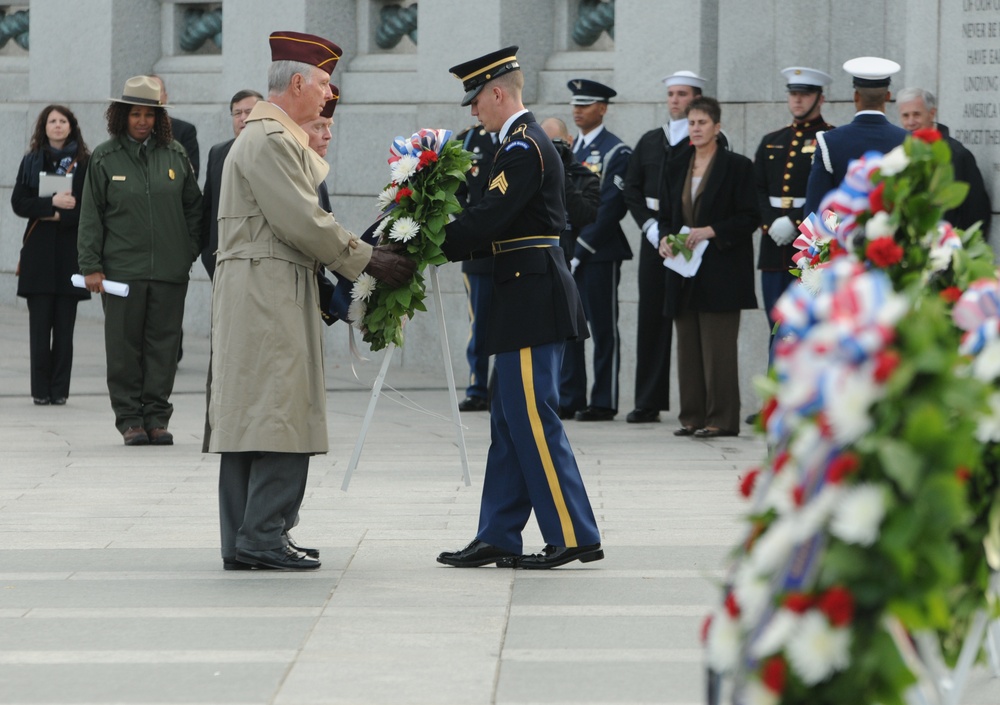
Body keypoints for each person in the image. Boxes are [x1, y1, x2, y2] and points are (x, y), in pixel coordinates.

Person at [209, 31, 414, 572]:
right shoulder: (271, 141)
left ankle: (247, 538)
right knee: (281, 409)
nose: (329, 93)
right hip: (268, 287)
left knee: (253, 415)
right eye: (323, 84)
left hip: (262, 284)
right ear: (297, 83)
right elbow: (304, 220)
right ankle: (262, 537)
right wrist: (369, 259)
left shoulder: (263, 137)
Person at [436, 46, 603, 570]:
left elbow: (486, 219)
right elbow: (489, 222)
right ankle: (499, 534)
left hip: (531, 294)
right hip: (518, 290)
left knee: (533, 417)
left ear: (498, 93)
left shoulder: (523, 147)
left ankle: (574, 533)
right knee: (509, 421)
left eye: (475, 100)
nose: (471, 111)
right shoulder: (515, 145)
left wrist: (419, 240)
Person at [77, 76, 202, 446]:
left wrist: (186, 251)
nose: (142, 121)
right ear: (121, 116)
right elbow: (90, 216)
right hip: (120, 274)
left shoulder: (175, 154)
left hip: (169, 272)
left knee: (163, 347)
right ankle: (130, 419)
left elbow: (194, 208)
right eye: (135, 114)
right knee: (124, 348)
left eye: (149, 114)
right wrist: (90, 265)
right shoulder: (104, 157)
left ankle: (157, 418)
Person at [658, 97, 759, 438]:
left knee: (718, 349)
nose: (696, 129)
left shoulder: (738, 166)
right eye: (692, 123)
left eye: (702, 123)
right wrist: (664, 238)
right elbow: (667, 216)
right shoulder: (676, 164)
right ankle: (692, 417)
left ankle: (722, 419)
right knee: (687, 346)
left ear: (717, 127)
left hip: (722, 268)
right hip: (683, 268)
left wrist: (712, 231)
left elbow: (750, 216)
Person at [622, 70, 709, 424]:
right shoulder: (650, 141)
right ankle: (648, 400)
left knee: (692, 321)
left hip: (689, 240)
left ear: (697, 100)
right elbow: (631, 189)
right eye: (671, 94)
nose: (674, 100)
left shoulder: (707, 142)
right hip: (655, 238)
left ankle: (700, 403)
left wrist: (682, 233)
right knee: (652, 319)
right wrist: (651, 227)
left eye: (682, 94)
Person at [561, 79, 632, 422]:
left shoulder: (616, 151)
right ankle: (571, 396)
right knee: (572, 328)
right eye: (575, 103)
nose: (578, 109)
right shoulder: (570, 150)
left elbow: (610, 207)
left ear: (602, 108)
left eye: (586, 104)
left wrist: (582, 249)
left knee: (603, 329)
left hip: (599, 253)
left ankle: (603, 400)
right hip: (569, 250)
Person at [11, 105, 91, 406]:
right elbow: (19, 202)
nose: (57, 126)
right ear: (43, 127)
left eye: (63, 121)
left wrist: (61, 217)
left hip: (71, 254)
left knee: (65, 329)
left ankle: (60, 390)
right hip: (39, 256)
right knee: (39, 328)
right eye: (52, 121)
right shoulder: (31, 161)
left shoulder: (84, 163)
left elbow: (91, 207)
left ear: (72, 126)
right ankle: (40, 390)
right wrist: (51, 204)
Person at [755, 68, 834, 361]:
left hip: (809, 246)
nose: (798, 100)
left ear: (820, 98)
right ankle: (775, 400)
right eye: (793, 94)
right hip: (773, 245)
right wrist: (769, 221)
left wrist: (796, 222)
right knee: (776, 325)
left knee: (804, 327)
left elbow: (830, 195)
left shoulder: (830, 140)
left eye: (805, 94)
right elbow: (757, 188)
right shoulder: (771, 140)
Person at [804, 57, 908, 215]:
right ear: (887, 96)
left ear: (856, 96)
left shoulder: (829, 142)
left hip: (842, 237)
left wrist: (844, 234)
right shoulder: (908, 141)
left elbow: (817, 209)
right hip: (891, 237)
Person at [896, 87, 992, 232]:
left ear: (932, 114)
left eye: (916, 114)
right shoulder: (898, 153)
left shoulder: (958, 155)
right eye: (905, 116)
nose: (910, 122)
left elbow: (976, 211)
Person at [454, 124, 499, 412]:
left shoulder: (519, 136)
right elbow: (456, 191)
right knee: (479, 324)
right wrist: (468, 224)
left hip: (512, 248)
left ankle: (503, 386)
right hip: (478, 251)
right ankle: (477, 388)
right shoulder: (468, 139)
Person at [200, 89, 263, 279]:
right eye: (237, 113)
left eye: (249, 112)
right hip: (220, 260)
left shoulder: (270, 151)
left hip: (257, 262)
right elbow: (208, 207)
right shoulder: (217, 153)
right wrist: (207, 253)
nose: (242, 118)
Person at [540, 117, 601, 264]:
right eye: (545, 144)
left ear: (569, 141)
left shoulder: (585, 177)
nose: (551, 151)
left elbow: (585, 216)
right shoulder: (532, 175)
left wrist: (561, 175)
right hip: (539, 258)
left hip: (571, 256)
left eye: (555, 144)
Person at [151, 75, 199, 177]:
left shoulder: (185, 131)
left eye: (156, 90)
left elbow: (191, 175)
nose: (152, 95)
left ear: (165, 96)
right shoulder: (129, 133)